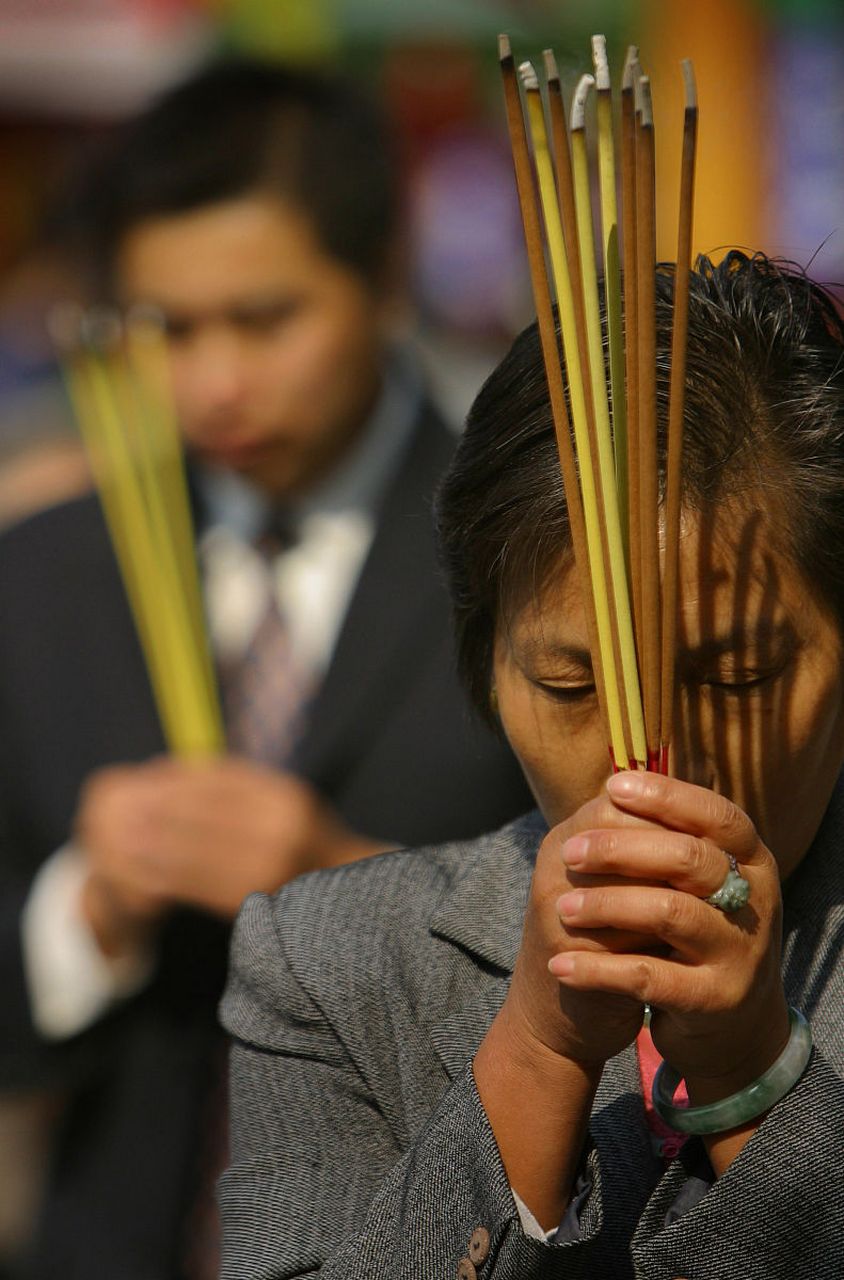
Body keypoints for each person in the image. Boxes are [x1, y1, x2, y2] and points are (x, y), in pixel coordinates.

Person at [0, 58, 532, 1280]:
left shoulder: (529, 555)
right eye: (168, 330)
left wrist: (344, 884)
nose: (216, 383)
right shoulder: (44, 578)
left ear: (384, 274)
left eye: (266, 317)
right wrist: (88, 911)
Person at [219, 252, 844, 1279]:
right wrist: (533, 1054)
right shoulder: (330, 963)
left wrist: (751, 1076)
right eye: (567, 684)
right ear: (483, 662)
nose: (653, 761)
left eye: (737, 675)